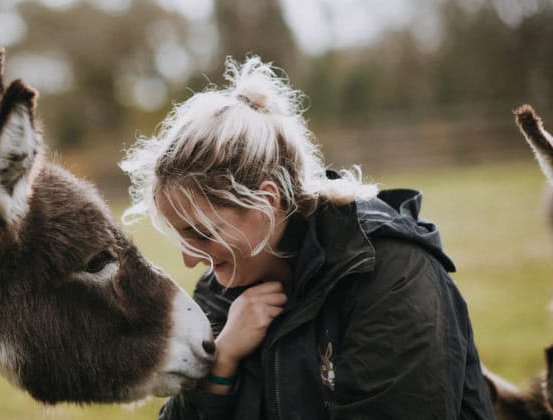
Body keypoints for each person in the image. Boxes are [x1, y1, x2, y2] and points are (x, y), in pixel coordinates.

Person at [119, 56, 496, 419]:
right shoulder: (223, 292)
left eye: (203, 232)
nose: (189, 259)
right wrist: (223, 360)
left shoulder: (391, 277)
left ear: (267, 202)